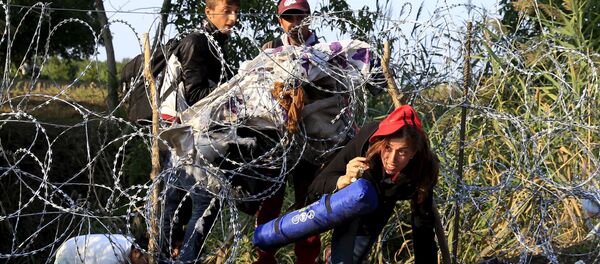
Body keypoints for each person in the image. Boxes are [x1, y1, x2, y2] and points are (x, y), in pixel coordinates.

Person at [158, 0, 240, 262]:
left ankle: (165, 256)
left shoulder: (214, 45)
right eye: (227, 11)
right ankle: (181, 259)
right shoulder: (197, 42)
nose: (233, 18)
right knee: (203, 201)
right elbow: (196, 95)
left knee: (175, 203)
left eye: (236, 11)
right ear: (209, 12)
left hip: (185, 134)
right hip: (179, 133)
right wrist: (237, 95)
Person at [307, 105, 439, 264]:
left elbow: (422, 227)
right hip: (350, 203)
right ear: (382, 141)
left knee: (356, 258)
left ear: (414, 152)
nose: (391, 160)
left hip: (380, 207)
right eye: (388, 148)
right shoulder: (365, 143)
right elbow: (316, 185)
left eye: (402, 152)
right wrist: (344, 180)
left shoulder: (423, 169)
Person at [252, 1, 324, 263]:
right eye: (289, 17)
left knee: (309, 205)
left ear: (309, 18)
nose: (295, 23)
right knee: (270, 204)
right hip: (278, 142)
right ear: (280, 20)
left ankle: (307, 259)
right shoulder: (270, 49)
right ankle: (265, 257)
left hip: (313, 141)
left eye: (300, 16)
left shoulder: (325, 51)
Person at [54, 234, 148, 264]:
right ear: (136, 252)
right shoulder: (112, 256)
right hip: (67, 256)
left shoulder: (127, 241)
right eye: (146, 260)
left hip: (72, 245)